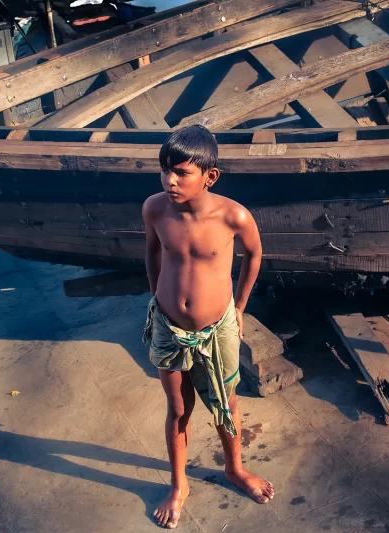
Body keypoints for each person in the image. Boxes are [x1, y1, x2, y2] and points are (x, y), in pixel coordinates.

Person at [142, 125, 274, 529]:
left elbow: (254, 254)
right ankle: (179, 485)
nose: (170, 180)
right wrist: (156, 296)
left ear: (209, 176)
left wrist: (239, 306)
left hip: (217, 329)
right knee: (178, 408)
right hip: (169, 326)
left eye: (182, 172)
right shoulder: (155, 209)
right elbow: (152, 251)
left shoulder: (233, 215)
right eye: (165, 170)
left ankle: (234, 468)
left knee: (226, 403)